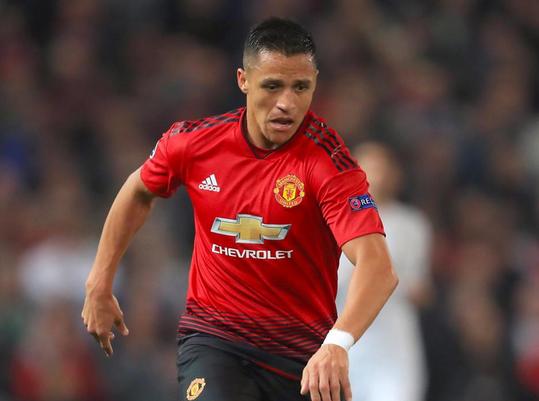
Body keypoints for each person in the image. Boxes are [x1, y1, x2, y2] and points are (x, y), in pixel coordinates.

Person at [82, 17, 398, 401]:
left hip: (302, 357)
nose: (287, 103)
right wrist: (99, 281)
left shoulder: (328, 163)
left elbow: (378, 267)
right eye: (272, 86)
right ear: (243, 80)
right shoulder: (194, 144)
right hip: (215, 340)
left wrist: (337, 344)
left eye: (301, 87)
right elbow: (138, 191)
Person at [336, 142, 432, 401]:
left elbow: (420, 288)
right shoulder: (334, 218)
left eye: (382, 168)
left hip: (394, 343)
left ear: (395, 174)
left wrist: (386, 279)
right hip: (345, 338)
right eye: (368, 167)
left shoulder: (411, 223)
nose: (376, 176)